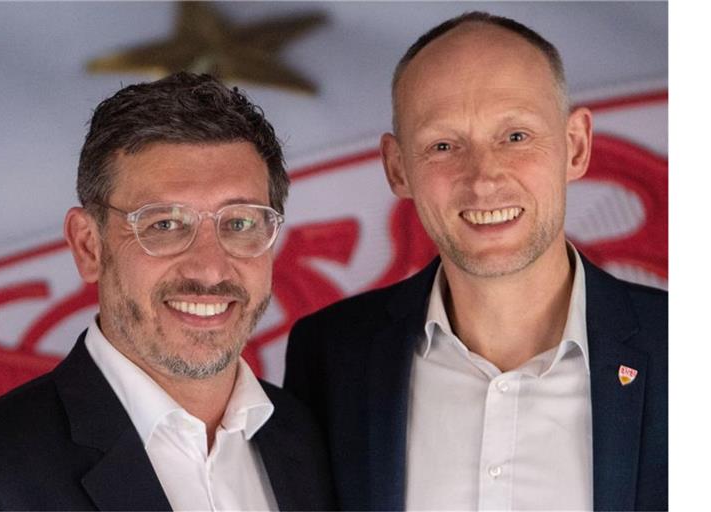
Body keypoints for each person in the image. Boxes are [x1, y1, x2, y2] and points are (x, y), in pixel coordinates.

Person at [284, 12, 667, 511]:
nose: (483, 178)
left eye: (515, 137)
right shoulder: (331, 356)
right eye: (443, 145)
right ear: (398, 168)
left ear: (576, 146)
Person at [0, 72, 335, 511]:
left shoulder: (314, 442)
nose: (210, 269)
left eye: (240, 223)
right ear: (89, 245)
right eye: (164, 224)